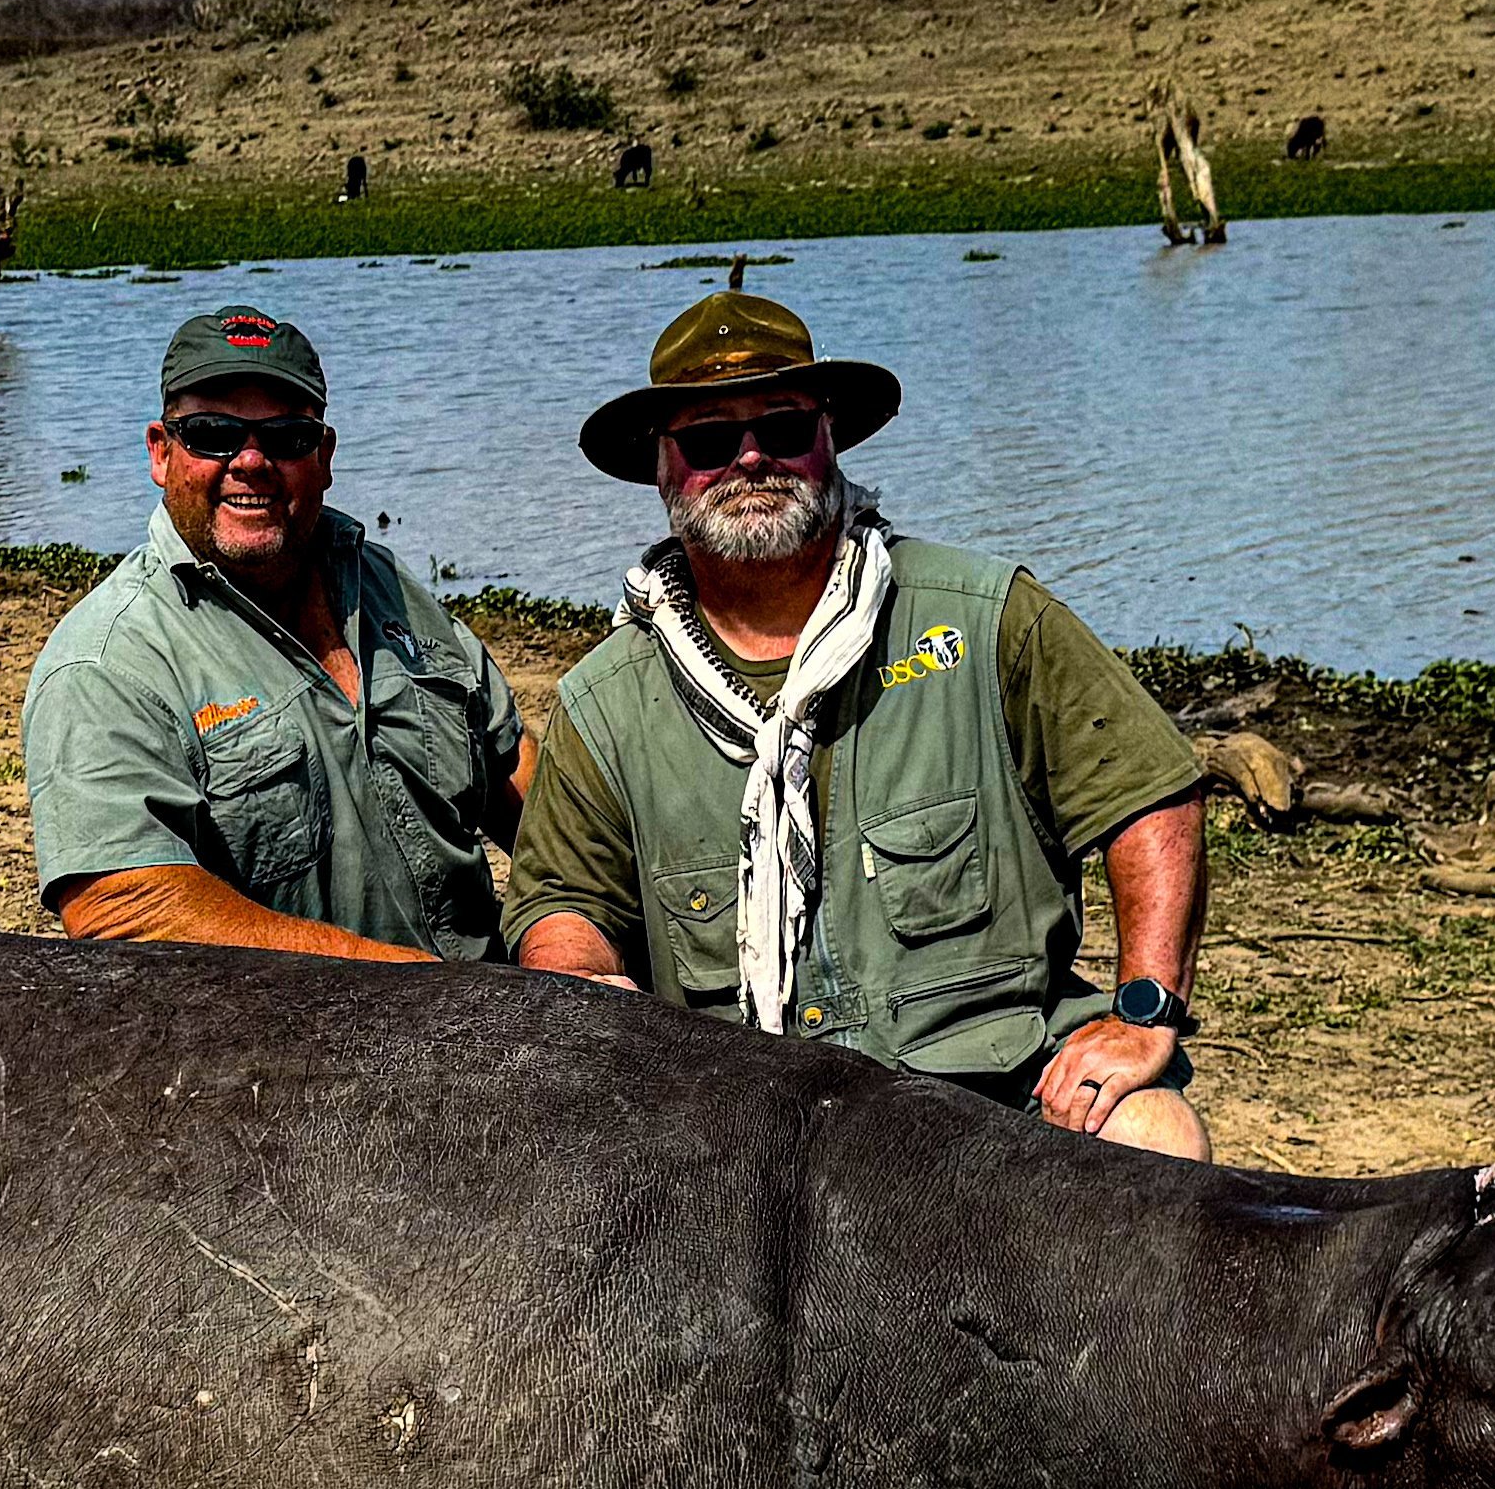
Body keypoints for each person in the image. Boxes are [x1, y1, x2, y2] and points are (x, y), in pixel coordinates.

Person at [509, 282, 1215, 1155]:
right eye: (709, 439)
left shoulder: (983, 619)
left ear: (829, 440)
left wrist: (1145, 1011)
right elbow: (563, 902)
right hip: (745, 1129)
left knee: (1153, 1132)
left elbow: (1148, 797)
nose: (750, 457)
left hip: (996, 1103)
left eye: (784, 427)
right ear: (661, 466)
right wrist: (581, 981)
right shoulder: (604, 701)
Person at [23, 308, 532, 962]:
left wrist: (564, 937)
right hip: (282, 1050)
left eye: (287, 437)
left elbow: (514, 768)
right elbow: (124, 906)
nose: (252, 461)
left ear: (323, 456)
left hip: (492, 1014)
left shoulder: (383, 583)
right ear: (160, 452)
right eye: (213, 433)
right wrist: (426, 993)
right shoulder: (106, 663)